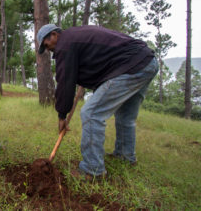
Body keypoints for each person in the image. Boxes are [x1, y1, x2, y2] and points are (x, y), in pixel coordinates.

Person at [37, 24, 158, 177]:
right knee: (125, 116)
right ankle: (125, 156)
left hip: (129, 65)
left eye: (46, 45)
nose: (48, 49)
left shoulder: (65, 45)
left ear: (54, 35)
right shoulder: (74, 37)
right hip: (146, 61)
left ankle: (92, 170)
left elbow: (65, 83)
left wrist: (62, 115)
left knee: (91, 114)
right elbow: (96, 64)